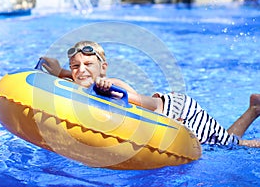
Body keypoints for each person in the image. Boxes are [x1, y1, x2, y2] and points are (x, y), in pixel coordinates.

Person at [41, 40, 260, 148]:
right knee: (224, 138)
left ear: (104, 68)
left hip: (180, 113)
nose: (80, 70)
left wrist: (105, 88)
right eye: (75, 66)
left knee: (234, 145)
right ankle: (254, 109)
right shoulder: (84, 80)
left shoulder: (111, 85)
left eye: (88, 63)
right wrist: (59, 71)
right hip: (172, 105)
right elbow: (83, 79)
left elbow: (145, 106)